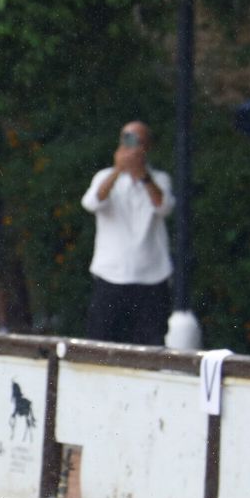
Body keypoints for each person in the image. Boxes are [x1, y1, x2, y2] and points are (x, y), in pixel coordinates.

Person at [80, 120, 175, 346]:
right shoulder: (104, 177)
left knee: (151, 344)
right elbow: (92, 202)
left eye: (136, 141)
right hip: (111, 275)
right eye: (126, 139)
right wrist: (117, 170)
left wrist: (142, 175)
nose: (130, 146)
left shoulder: (159, 179)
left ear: (147, 147)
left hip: (151, 277)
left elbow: (163, 206)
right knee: (101, 343)